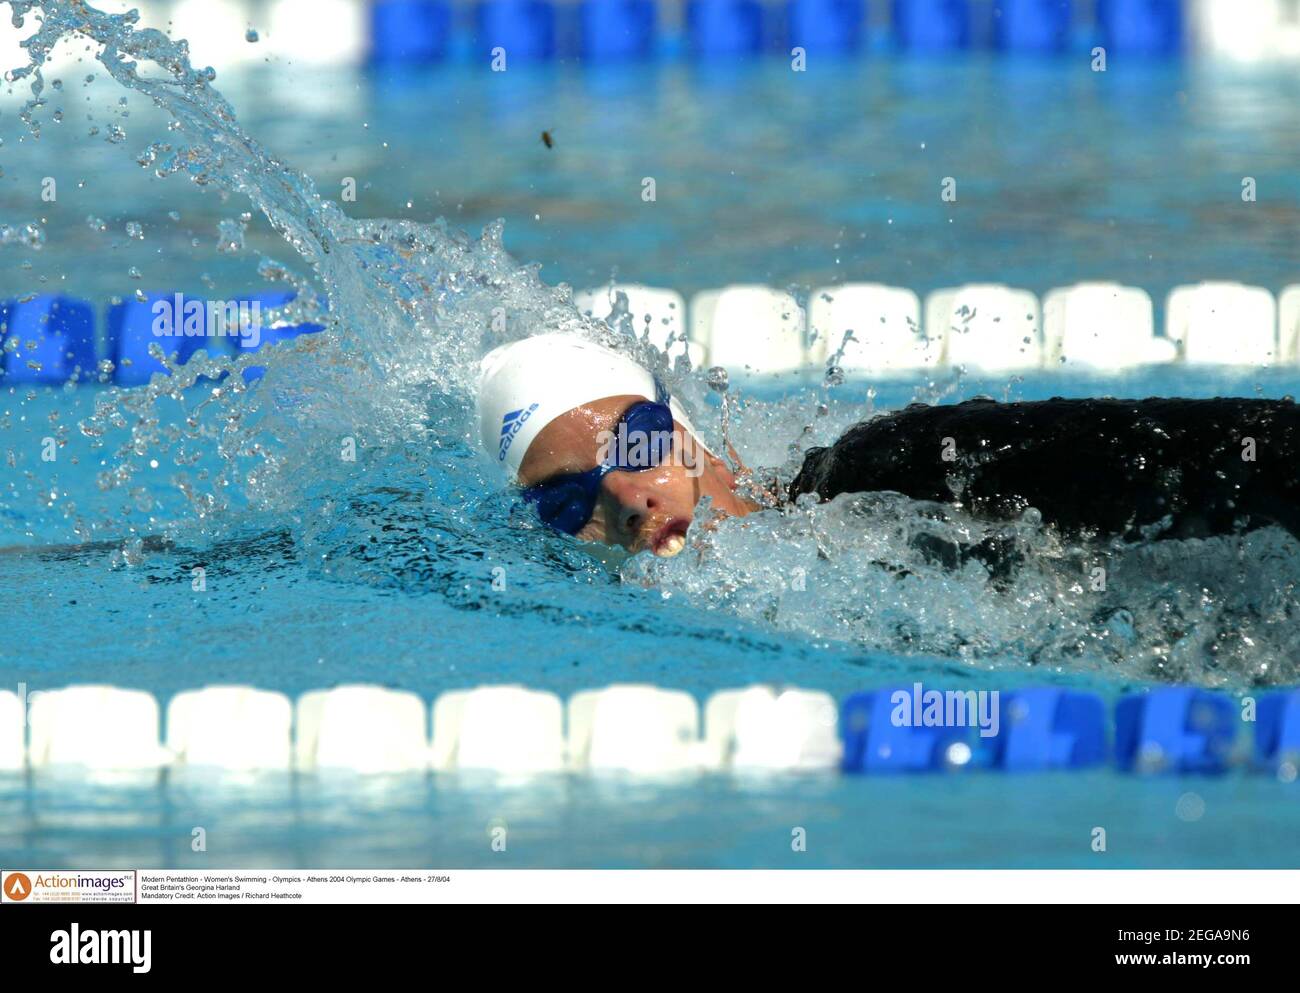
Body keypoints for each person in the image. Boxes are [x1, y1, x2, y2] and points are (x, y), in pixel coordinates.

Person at [477, 333, 1300, 558]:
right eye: (563, 501)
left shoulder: (892, 468)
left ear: (684, 429)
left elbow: (1224, 453)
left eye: (637, 444)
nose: (625, 498)